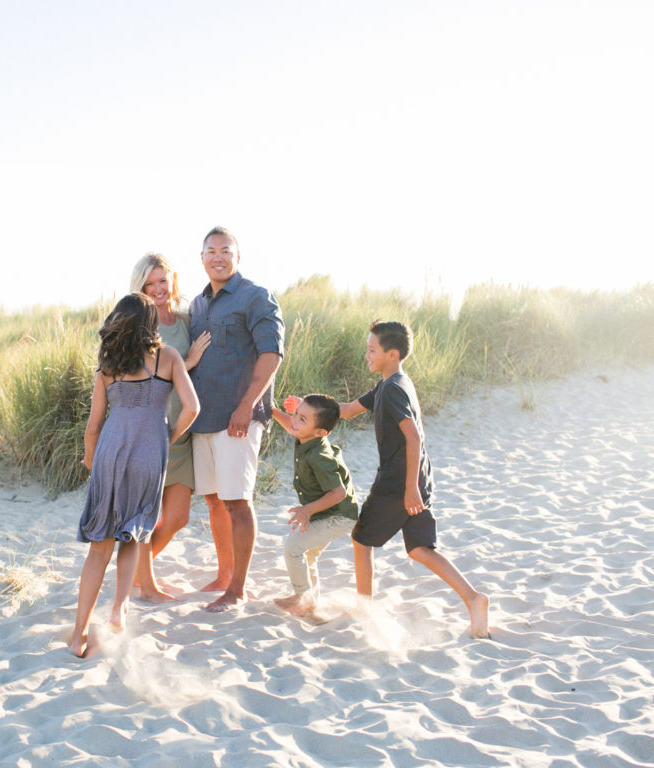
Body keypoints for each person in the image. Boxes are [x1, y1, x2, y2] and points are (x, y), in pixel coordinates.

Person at [293, 320, 489, 638]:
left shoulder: (394, 389)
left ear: (392, 354)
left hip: (400, 482)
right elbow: (344, 410)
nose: (366, 355)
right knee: (420, 549)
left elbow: (413, 438)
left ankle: (363, 607)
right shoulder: (390, 383)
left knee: (360, 538)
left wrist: (410, 489)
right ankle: (474, 598)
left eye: (372, 350)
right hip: (417, 476)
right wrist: (304, 408)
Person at [69, 293, 199, 658]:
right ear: (151, 324)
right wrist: (169, 436)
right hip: (149, 454)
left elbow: (93, 427)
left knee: (100, 547)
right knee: (132, 535)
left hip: (111, 451)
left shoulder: (109, 365)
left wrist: (91, 461)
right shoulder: (169, 358)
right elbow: (193, 407)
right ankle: (118, 609)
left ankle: (79, 632)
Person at [188, 226, 285, 612]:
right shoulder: (197, 305)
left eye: (225, 250)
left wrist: (246, 406)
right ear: (201, 258)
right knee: (214, 500)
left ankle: (238, 589)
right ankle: (224, 574)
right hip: (204, 417)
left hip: (237, 418)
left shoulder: (255, 296)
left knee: (237, 502)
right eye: (210, 250)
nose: (218, 256)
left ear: (237, 256)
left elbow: (272, 354)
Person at [129, 253, 211, 603]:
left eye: (163, 281)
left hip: (182, 429)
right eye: (150, 283)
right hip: (150, 429)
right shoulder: (139, 326)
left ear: (172, 281)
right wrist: (188, 361)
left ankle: (134, 570)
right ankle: (146, 585)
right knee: (146, 514)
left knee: (177, 516)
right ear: (141, 288)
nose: (158, 289)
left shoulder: (187, 320)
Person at [270, 394, 358, 621]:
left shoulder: (320, 455)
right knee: (307, 555)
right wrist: (270, 410)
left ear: (321, 433)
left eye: (302, 419)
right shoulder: (307, 436)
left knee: (293, 547)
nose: (294, 421)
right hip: (327, 512)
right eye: (296, 414)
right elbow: (290, 425)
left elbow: (338, 493)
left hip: (339, 515)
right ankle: (311, 602)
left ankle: (303, 599)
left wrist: (308, 510)